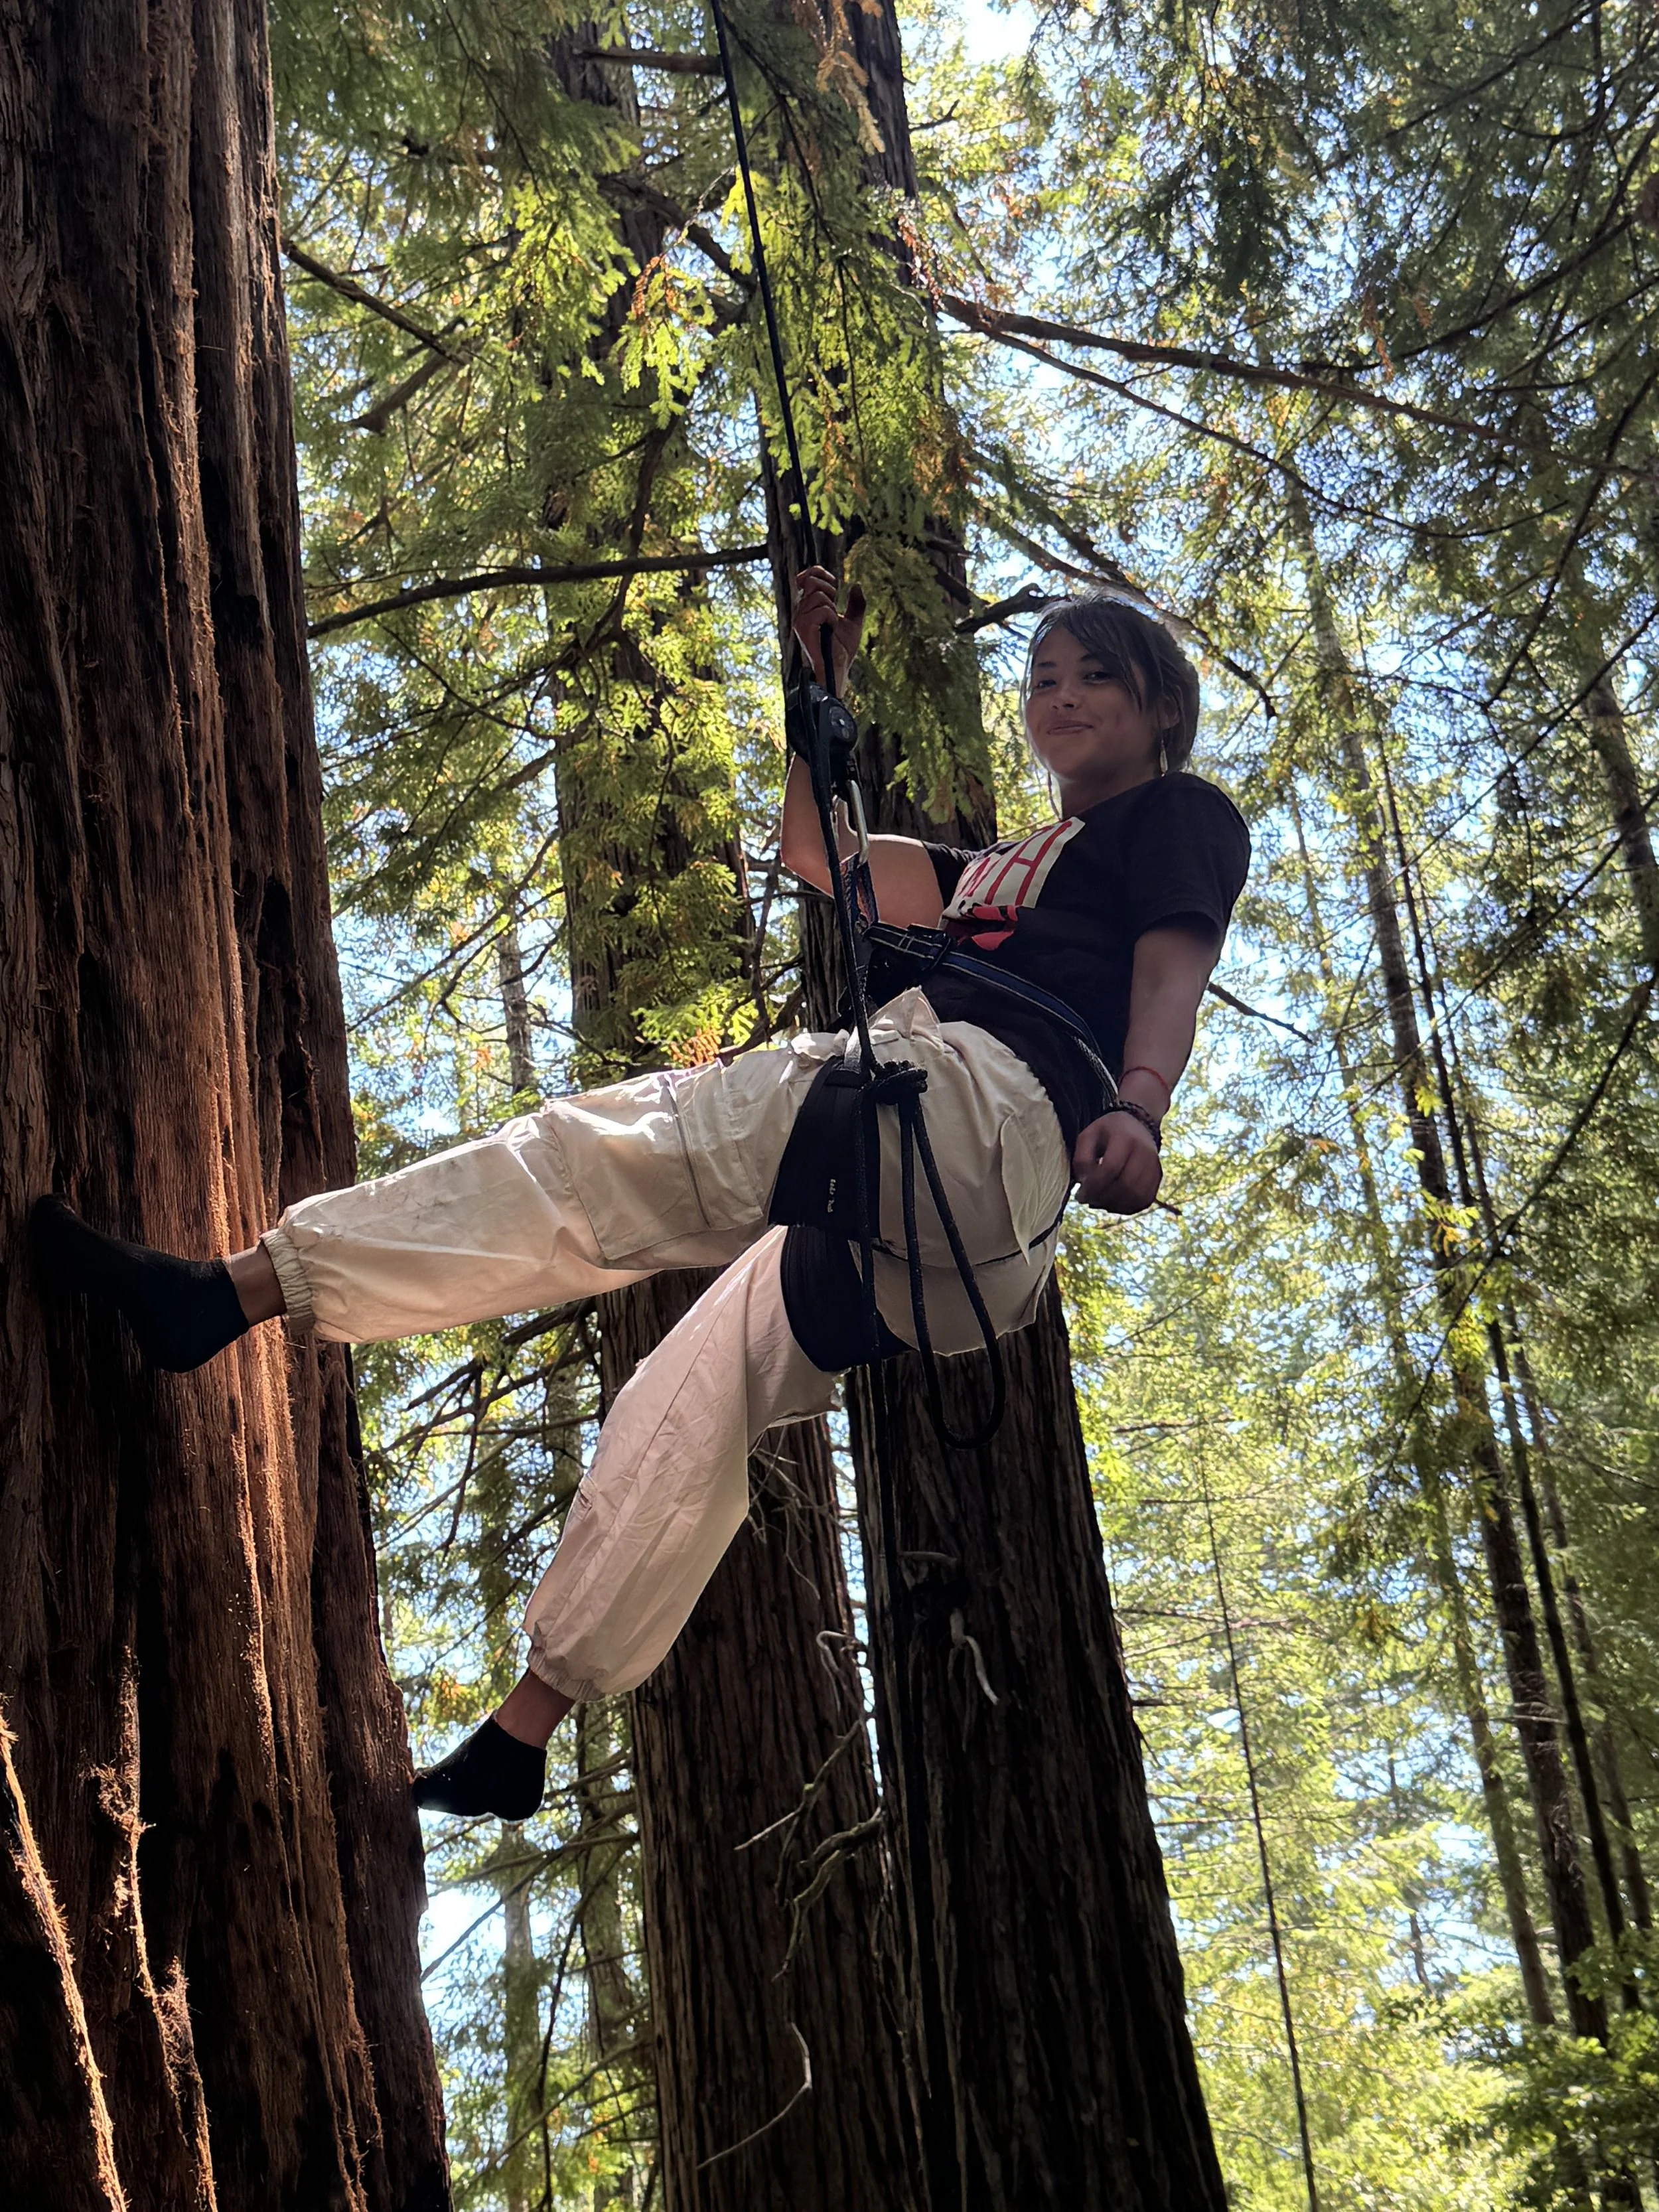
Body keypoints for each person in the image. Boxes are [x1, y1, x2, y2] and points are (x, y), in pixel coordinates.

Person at [32, 571, 1250, 1820]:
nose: (1062, 696)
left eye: (1095, 674)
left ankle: (229, 1295)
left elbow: (1173, 965)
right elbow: (809, 853)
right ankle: (525, 1730)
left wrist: (1142, 1105)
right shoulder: (993, 869)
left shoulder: (1178, 817)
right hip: (959, 1249)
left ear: (1161, 704)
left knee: (598, 1153)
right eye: (1043, 678)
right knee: (688, 1392)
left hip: (975, 1118)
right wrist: (816, 696)